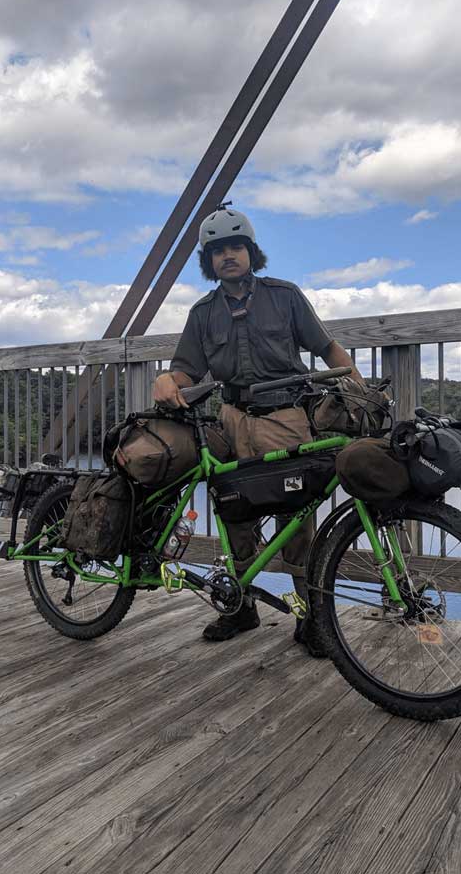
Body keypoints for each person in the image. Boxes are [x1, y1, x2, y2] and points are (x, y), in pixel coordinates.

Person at [153, 203, 363, 656]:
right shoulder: (203, 312)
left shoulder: (284, 296)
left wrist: (356, 385)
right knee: (235, 516)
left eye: (235, 247)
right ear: (208, 262)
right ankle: (239, 608)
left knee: (297, 519)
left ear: (251, 252)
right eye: (217, 251)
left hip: (285, 418)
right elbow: (187, 369)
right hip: (231, 420)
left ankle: (311, 619)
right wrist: (168, 379)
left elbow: (326, 347)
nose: (227, 256)